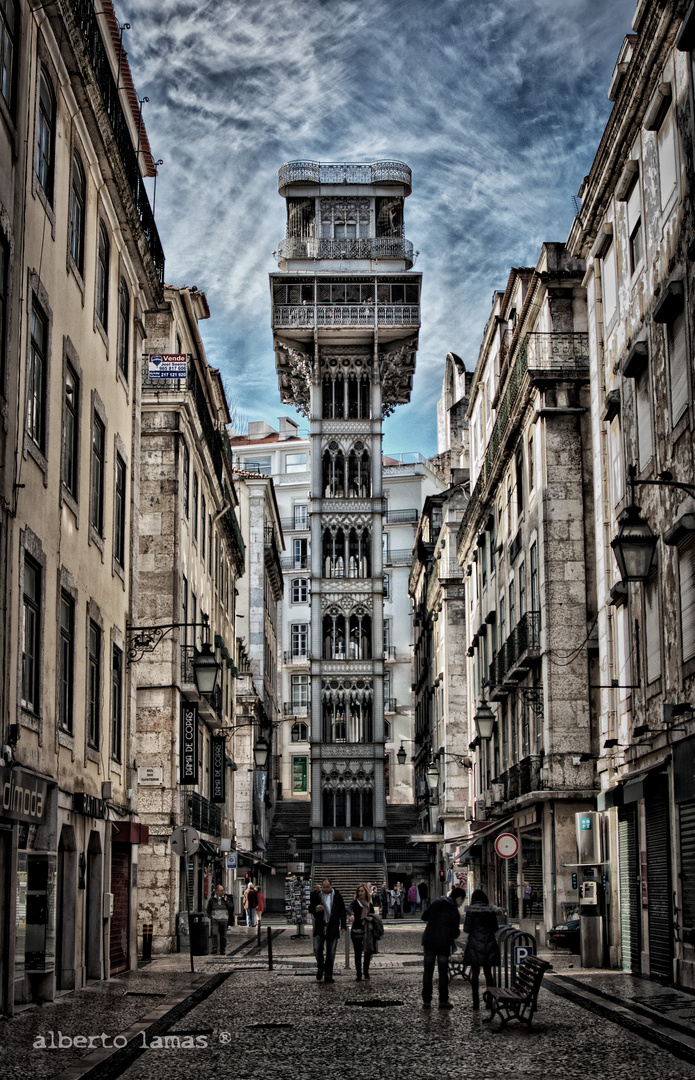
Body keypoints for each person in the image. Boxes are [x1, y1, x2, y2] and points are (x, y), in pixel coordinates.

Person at [420, 886, 466, 1010]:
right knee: (442, 972)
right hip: (443, 944)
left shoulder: (437, 903)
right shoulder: (454, 911)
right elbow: (455, 933)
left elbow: (424, 916)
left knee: (428, 972)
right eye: (462, 901)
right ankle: (443, 1000)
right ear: (459, 898)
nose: (461, 904)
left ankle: (426, 1001)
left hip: (429, 941)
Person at [462, 888, 500, 1010]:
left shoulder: (471, 910)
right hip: (489, 943)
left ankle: (476, 1003)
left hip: (474, 944)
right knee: (488, 974)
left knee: (475, 974)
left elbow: (466, 929)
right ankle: (489, 1001)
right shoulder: (491, 910)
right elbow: (495, 928)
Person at [309, 877, 347, 983]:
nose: (325, 889)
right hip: (320, 926)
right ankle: (321, 966)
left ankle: (328, 974)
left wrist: (343, 925)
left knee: (331, 952)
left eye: (327, 887)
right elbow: (310, 908)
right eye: (323, 887)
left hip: (332, 927)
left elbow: (342, 911)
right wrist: (316, 908)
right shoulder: (317, 895)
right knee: (317, 949)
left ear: (332, 885)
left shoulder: (337, 896)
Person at [349, 883, 375, 981]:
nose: (360, 893)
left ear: (365, 892)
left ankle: (366, 971)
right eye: (359, 891)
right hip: (356, 929)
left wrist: (371, 918)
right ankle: (358, 973)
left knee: (367, 952)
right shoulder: (355, 902)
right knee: (357, 953)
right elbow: (348, 909)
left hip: (367, 930)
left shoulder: (369, 904)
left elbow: (374, 916)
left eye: (362, 891)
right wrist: (351, 915)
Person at [206, 884, 234, 955]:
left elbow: (231, 907)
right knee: (214, 933)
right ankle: (214, 948)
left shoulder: (226, 898)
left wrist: (226, 901)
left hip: (224, 920)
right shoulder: (212, 899)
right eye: (221, 890)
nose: (223, 892)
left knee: (223, 936)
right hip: (215, 919)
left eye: (223, 890)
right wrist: (211, 916)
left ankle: (222, 949)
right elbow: (208, 909)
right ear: (217, 891)